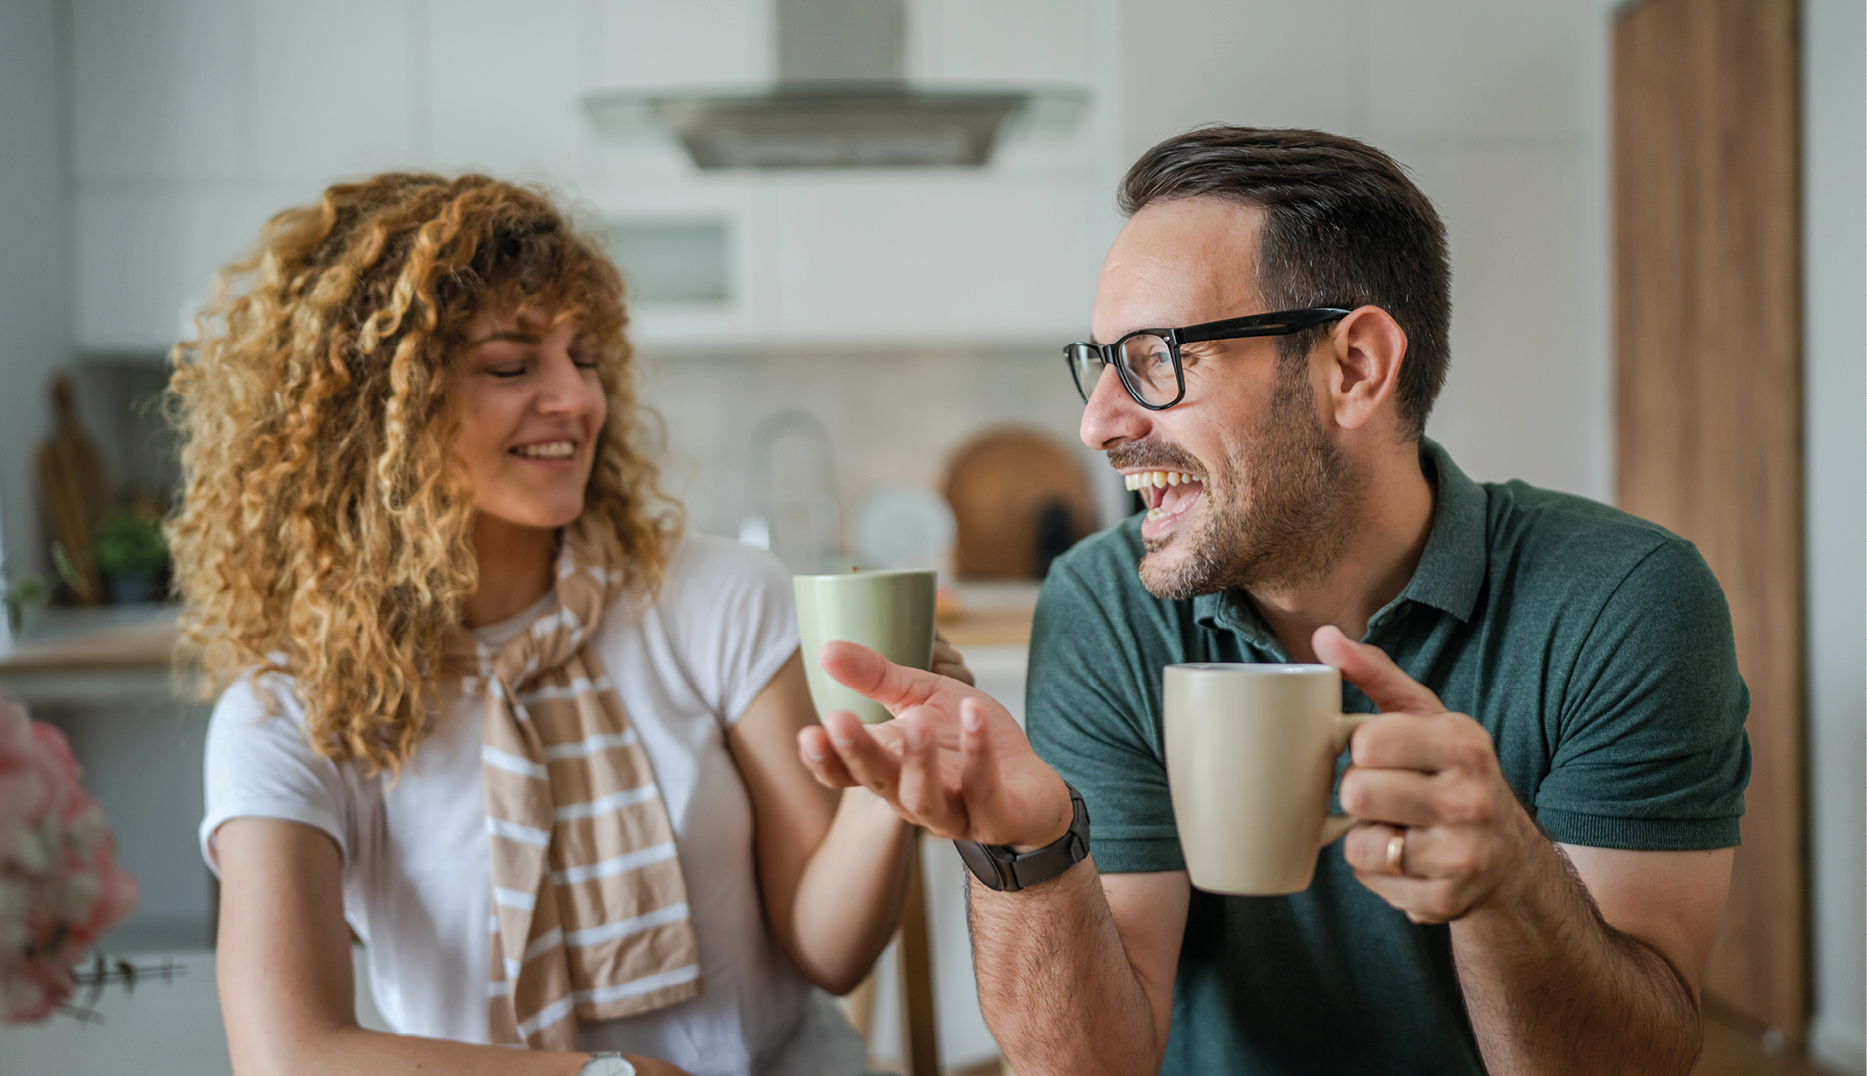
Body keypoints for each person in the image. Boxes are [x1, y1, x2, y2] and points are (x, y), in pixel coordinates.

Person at [797, 127, 1750, 1076]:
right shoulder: (1105, 599)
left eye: (1157, 358)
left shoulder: (1623, 601)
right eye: (1100, 364)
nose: (1096, 424)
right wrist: (1028, 852)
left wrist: (1509, 887)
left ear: (1354, 368)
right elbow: (1088, 1066)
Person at [173, 173, 971, 1076]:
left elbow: (825, 950)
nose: (575, 398)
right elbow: (289, 1055)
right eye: (512, 366)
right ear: (375, 410)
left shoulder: (715, 597)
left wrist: (884, 790)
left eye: (583, 358)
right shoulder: (287, 712)